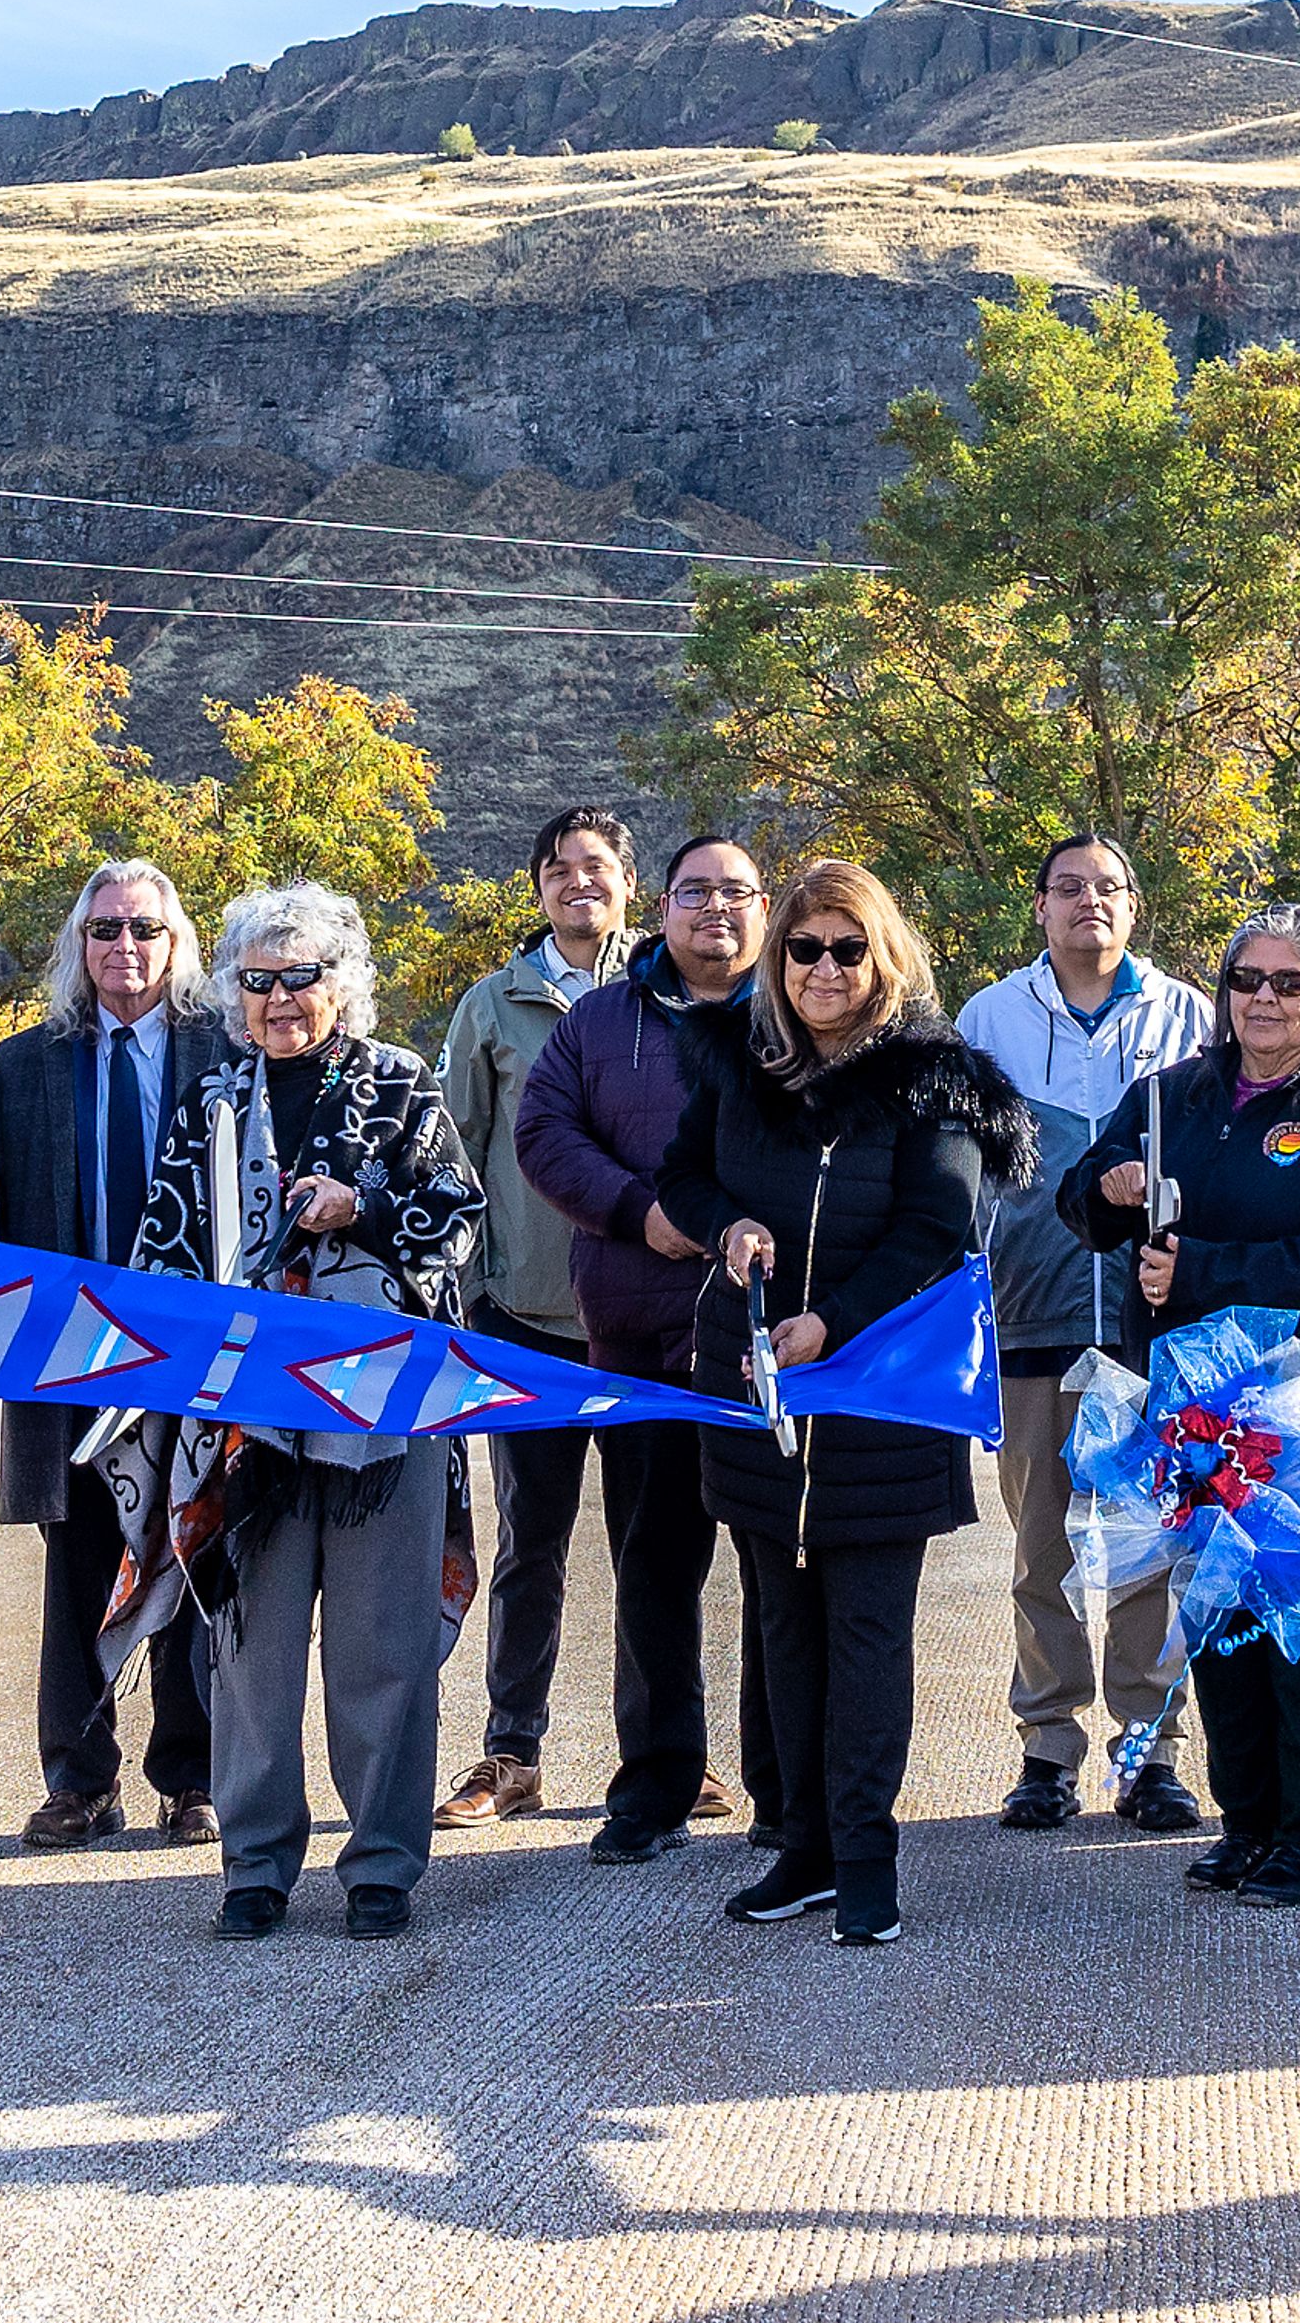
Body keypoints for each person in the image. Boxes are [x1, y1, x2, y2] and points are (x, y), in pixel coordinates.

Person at [665, 860, 1037, 1947]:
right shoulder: (735, 1061)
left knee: (865, 1633)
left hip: (881, 1394)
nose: (824, 969)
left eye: (847, 948)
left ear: (885, 959)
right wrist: (729, 1224)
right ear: (777, 959)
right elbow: (680, 1178)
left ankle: (867, 1857)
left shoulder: (940, 1081)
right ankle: (806, 1849)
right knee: (783, 1624)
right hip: (755, 1390)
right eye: (803, 948)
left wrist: (832, 1321)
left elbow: (934, 1233)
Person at [134, 883, 482, 1941]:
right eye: (260, 979)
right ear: (233, 990)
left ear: (343, 984)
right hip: (249, 1420)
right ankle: (255, 1864)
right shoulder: (209, 1096)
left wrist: (362, 1206)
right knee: (252, 1644)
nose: (282, 997)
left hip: (384, 1412)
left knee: (382, 1645)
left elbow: (460, 1216)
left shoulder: (400, 1081)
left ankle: (380, 1861)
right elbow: (163, 1245)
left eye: (304, 977)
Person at [1062, 904, 1300, 1908]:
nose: (1266, 998)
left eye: (1290, 982)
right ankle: (1249, 1820)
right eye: (1247, 979)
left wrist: (1206, 1268)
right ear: (1223, 991)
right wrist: (1111, 1183)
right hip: (1190, 1416)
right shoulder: (1172, 1094)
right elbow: (1078, 1201)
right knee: (1219, 1621)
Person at [435, 809, 727, 1848]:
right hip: (532, 1320)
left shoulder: (673, 995)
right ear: (539, 889)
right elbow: (454, 1153)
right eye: (557, 870)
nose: (576, 883)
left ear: (631, 884)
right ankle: (512, 1748)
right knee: (533, 1541)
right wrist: (465, 1290)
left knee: (655, 1542)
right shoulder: (491, 1006)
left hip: (652, 1322)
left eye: (595, 867)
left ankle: (665, 1752)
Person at [507, 831, 786, 1861]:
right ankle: (657, 1786)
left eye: (737, 891)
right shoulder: (600, 1022)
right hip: (638, 1334)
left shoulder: (803, 1006)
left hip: (768, 1341)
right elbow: (544, 1135)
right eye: (696, 891)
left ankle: (784, 1788)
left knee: (777, 1569)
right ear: (662, 906)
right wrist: (638, 1211)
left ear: (766, 905)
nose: (716, 908)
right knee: (654, 1566)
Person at [955, 832, 1215, 1835]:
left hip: (1159, 1329)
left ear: (1134, 906)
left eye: (1107, 887)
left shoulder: (1190, 1014)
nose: (1088, 902)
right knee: (1042, 1552)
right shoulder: (989, 1018)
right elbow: (969, 1178)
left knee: (1155, 1545)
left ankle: (1150, 1752)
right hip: (1033, 1324)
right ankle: (1046, 1750)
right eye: (1068, 887)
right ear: (1040, 906)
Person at [0, 860, 229, 1854]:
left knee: (193, 1555)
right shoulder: (25, 1063)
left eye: (145, 929)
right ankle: (81, 1781)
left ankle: (192, 1774)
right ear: (80, 946)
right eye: (105, 929)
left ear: (179, 944)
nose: (125, 948)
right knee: (80, 1569)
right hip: (70, 1360)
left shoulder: (228, 1051)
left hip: (193, 1354)